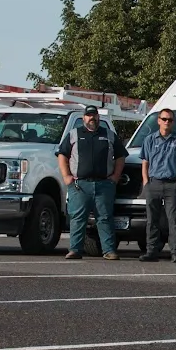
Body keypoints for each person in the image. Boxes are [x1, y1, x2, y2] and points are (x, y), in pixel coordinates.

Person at [56, 104, 127, 260]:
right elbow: (62, 155)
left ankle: (109, 251)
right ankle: (75, 250)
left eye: (94, 115)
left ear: (98, 117)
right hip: (80, 185)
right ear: (84, 118)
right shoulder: (73, 134)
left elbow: (121, 156)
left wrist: (115, 177)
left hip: (104, 185)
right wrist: (66, 176)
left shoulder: (109, 134)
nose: (91, 118)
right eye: (89, 115)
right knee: (78, 218)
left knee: (105, 218)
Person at [138, 107, 176, 263]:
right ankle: (151, 251)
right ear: (158, 121)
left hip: (171, 185)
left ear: (173, 122)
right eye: (164, 119)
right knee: (151, 220)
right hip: (153, 183)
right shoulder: (149, 140)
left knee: (174, 220)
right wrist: (146, 182)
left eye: (170, 119)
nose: (167, 122)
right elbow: (145, 162)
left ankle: (175, 252)